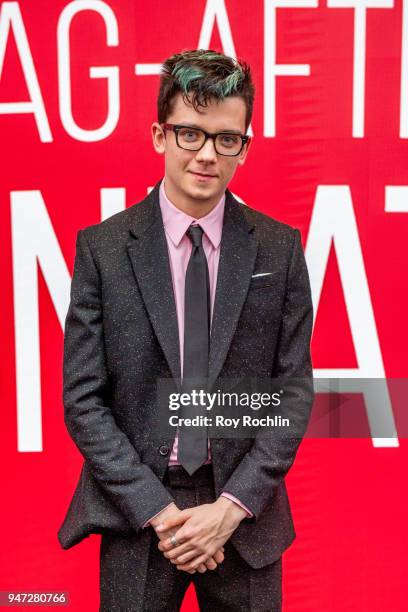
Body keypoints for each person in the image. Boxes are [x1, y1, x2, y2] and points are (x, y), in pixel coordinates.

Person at [58, 49, 314, 611]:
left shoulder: (279, 248)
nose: (207, 154)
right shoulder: (103, 249)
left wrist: (230, 508)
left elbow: (291, 394)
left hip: (244, 521)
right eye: (190, 134)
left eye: (227, 139)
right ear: (159, 135)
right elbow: (83, 400)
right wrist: (161, 513)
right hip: (139, 516)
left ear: (244, 146)